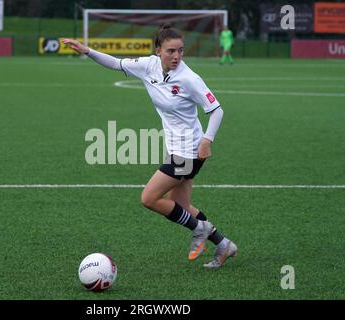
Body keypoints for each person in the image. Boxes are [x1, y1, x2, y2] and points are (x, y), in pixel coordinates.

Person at [62, 25, 237, 269]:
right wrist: (87, 51)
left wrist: (208, 140)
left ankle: (200, 229)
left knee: (149, 198)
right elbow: (115, 64)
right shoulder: (148, 67)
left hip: (190, 151)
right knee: (183, 206)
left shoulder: (189, 78)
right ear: (158, 51)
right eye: (170, 51)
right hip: (176, 148)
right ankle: (223, 244)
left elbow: (216, 110)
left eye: (180, 51)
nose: (176, 56)